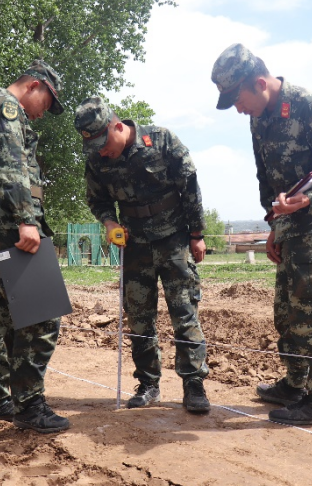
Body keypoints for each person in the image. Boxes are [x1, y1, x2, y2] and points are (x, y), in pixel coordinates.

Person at [211, 43, 312, 425]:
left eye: (238, 100)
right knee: (285, 311)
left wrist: (305, 204)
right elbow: (266, 178)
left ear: (259, 83)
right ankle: (295, 383)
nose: (238, 109)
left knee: (310, 309)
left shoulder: (310, 106)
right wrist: (274, 224)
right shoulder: (258, 118)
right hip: (288, 226)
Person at [74, 96, 211, 414]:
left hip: (174, 240)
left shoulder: (161, 140)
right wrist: (108, 222)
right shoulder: (97, 160)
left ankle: (193, 385)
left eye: (103, 143)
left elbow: (190, 185)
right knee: (139, 318)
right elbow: (97, 200)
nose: (100, 151)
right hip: (133, 244)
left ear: (117, 126)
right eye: (93, 147)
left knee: (184, 313)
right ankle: (149, 384)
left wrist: (197, 234)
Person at [0, 59, 69, 433]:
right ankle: (29, 406)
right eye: (48, 102)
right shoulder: (8, 107)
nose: (45, 113)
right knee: (41, 313)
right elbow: (11, 164)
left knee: (4, 315)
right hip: (12, 221)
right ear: (33, 85)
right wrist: (27, 218)